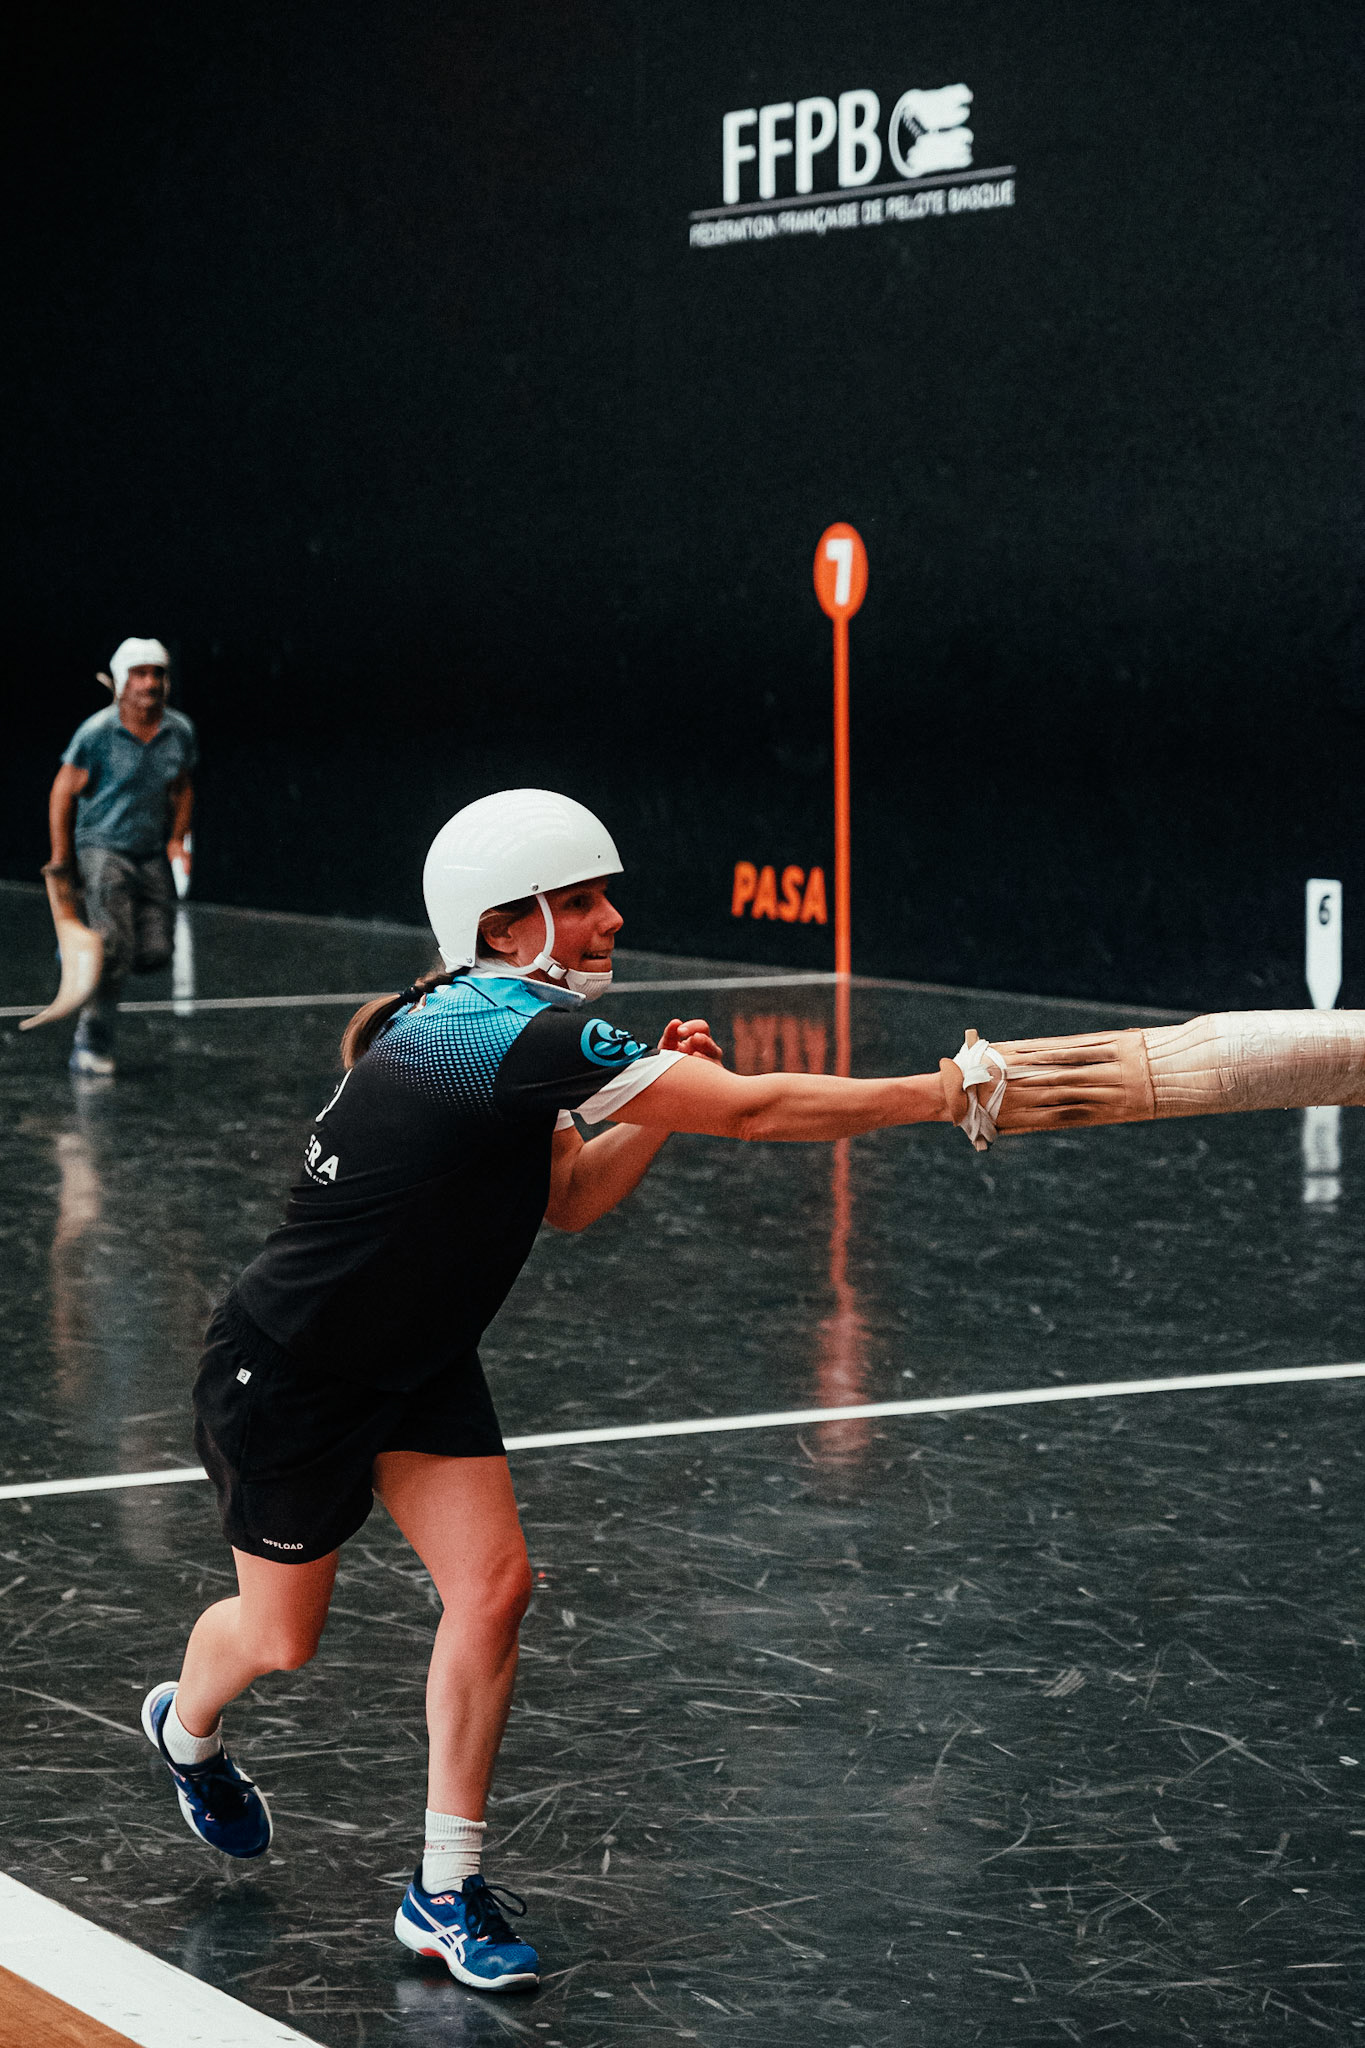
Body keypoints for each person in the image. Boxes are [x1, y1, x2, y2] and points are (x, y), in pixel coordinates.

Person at [141, 788, 963, 1995]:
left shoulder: (490, 1021)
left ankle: (442, 1887)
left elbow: (567, 1196)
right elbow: (763, 1107)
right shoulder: (508, 1028)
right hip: (292, 1370)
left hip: (418, 1356)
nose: (609, 917)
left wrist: (659, 1098)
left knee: (497, 1583)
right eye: (579, 900)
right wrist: (945, 1091)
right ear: (506, 921)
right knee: (281, 1637)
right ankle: (184, 1726)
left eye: (601, 895)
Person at [48, 637, 196, 1076]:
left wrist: (176, 840)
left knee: (154, 951)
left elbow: (183, 787)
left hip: (150, 853)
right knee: (114, 949)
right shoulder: (96, 733)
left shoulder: (180, 731)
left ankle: (86, 951)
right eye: (139, 674)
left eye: (157, 674)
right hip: (102, 849)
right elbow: (61, 792)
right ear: (119, 682)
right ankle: (92, 1041)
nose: (149, 683)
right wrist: (61, 857)